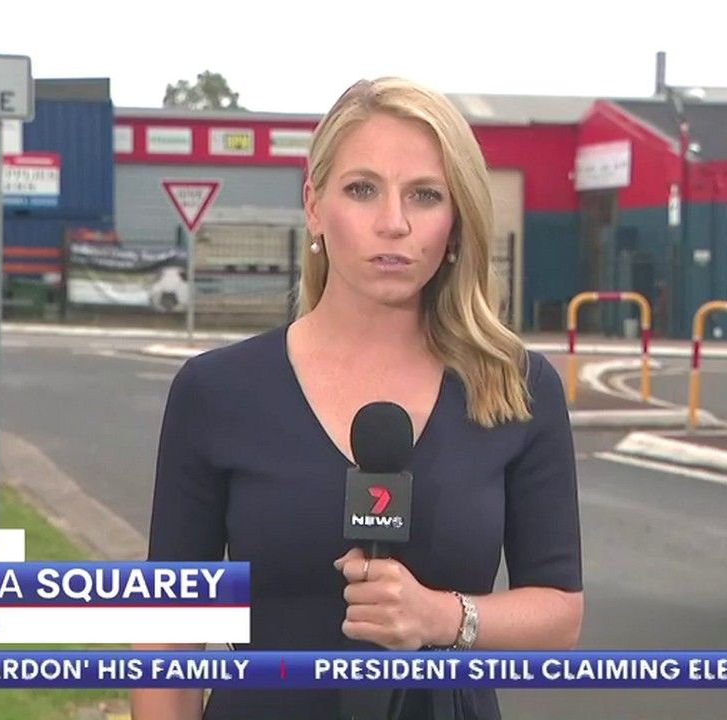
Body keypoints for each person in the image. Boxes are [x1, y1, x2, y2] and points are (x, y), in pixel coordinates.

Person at [131, 77, 583, 720]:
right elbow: (169, 634)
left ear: (456, 220)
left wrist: (442, 617)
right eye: (362, 189)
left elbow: (560, 615)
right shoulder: (215, 392)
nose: (393, 223)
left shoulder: (517, 388)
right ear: (314, 205)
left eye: (425, 195)